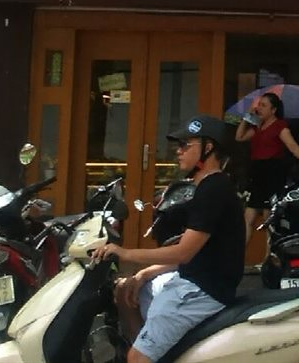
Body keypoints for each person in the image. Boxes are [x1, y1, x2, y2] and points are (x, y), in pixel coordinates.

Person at [92, 115, 243, 363]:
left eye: (186, 145)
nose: (178, 151)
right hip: (190, 280)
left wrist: (125, 252)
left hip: (200, 291)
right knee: (125, 290)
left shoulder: (214, 190)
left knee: (136, 359)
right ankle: (150, 348)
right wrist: (145, 273)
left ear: (208, 148)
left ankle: (143, 353)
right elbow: (197, 254)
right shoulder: (207, 187)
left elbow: (183, 252)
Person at [234, 91, 299, 247]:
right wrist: (248, 116)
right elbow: (239, 137)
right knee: (248, 217)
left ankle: (269, 255)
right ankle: (238, 254)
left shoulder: (279, 126)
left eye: (264, 106)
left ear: (273, 110)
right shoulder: (257, 126)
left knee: (268, 217)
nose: (259, 108)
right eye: (259, 105)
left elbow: (291, 144)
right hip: (257, 173)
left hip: (272, 172)